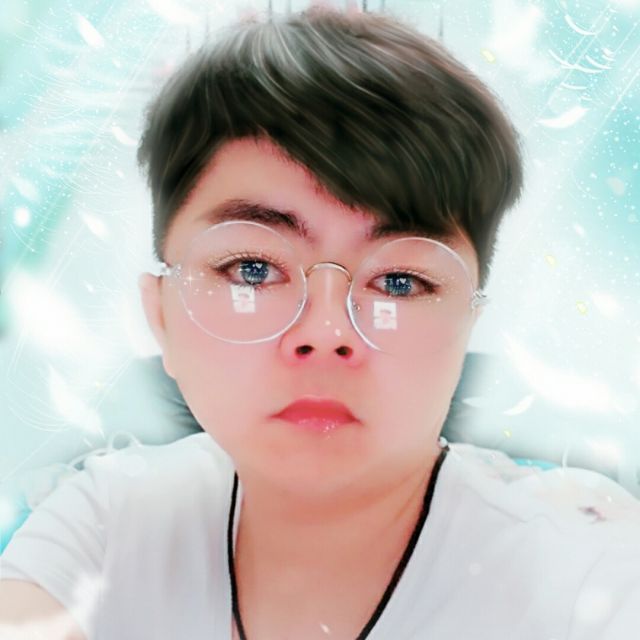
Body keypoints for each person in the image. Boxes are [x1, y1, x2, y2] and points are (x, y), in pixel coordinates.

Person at [1, 6, 639, 640]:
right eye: (253, 269)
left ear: (468, 322)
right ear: (160, 315)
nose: (327, 333)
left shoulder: (592, 577)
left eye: (399, 282)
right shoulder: (109, 522)